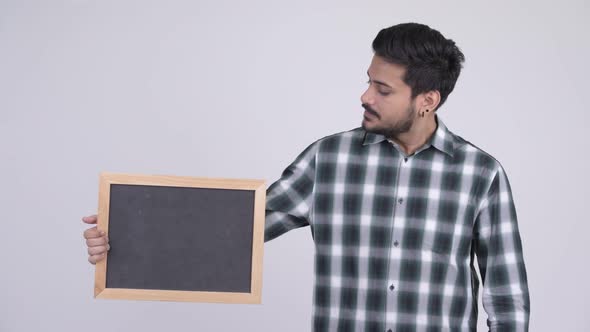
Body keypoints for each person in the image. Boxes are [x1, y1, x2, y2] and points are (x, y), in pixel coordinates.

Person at [83, 22, 530, 331]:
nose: (364, 95)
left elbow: (506, 297)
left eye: (383, 89)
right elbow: (235, 228)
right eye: (368, 81)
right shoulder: (327, 159)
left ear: (427, 100)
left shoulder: (481, 174)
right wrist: (121, 238)